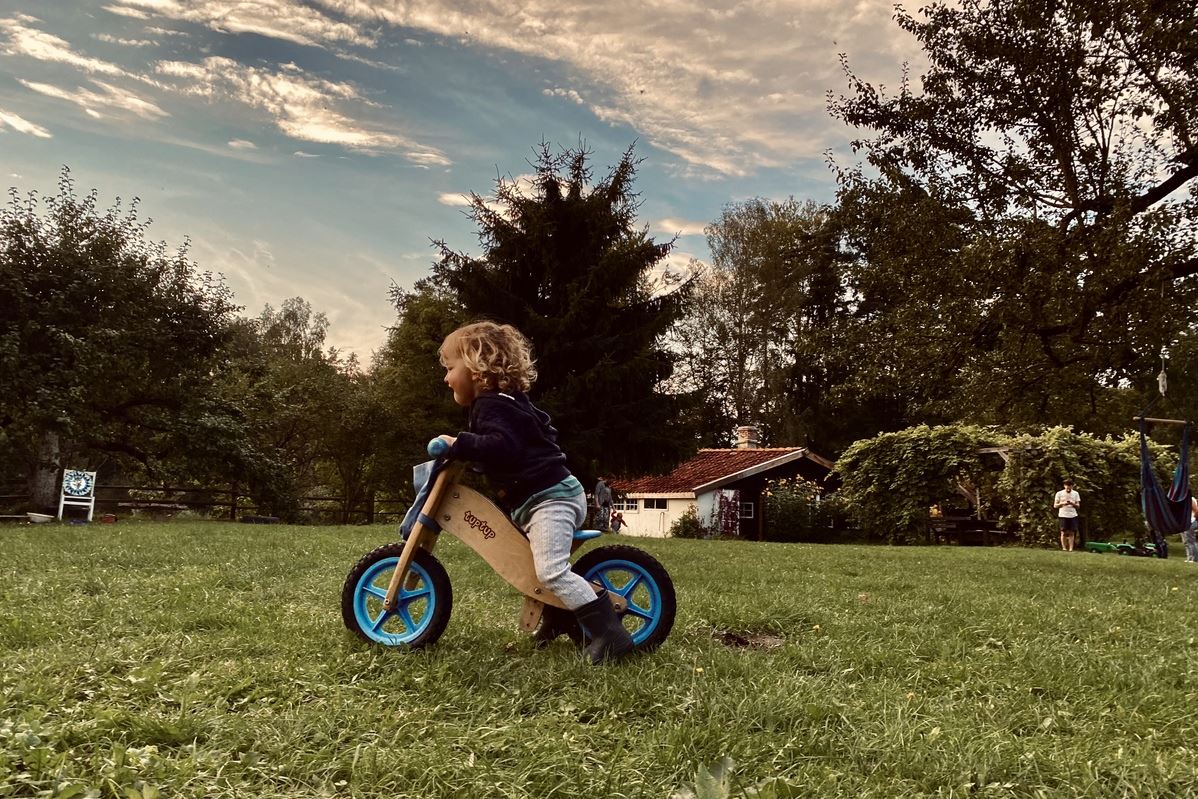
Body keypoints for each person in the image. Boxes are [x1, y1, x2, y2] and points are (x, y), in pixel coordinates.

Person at [435, 321, 633, 664]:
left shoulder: (492, 405)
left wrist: (459, 444)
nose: (446, 378)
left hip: (551, 499)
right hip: (545, 497)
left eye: (450, 368)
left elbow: (503, 446)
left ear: (477, 368)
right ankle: (560, 618)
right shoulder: (507, 403)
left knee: (550, 570)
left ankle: (610, 634)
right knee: (531, 565)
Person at [1053, 478, 1081, 551]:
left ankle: (1071, 548)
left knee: (1072, 532)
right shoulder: (1059, 493)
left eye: (1070, 486)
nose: (1068, 487)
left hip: (1073, 515)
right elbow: (1055, 506)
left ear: (1072, 486)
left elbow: (1078, 506)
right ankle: (1064, 548)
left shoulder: (1076, 493)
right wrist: (1062, 503)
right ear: (1064, 486)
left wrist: (1072, 503)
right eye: (1067, 485)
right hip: (1063, 515)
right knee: (1063, 532)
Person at [1184, 495, 1198, 563]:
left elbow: (1196, 510)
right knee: (1186, 542)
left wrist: (1193, 519)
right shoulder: (1181, 499)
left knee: (1191, 541)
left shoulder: (1191, 499)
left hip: (1190, 522)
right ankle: (1189, 558)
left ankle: (1194, 559)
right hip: (1183, 524)